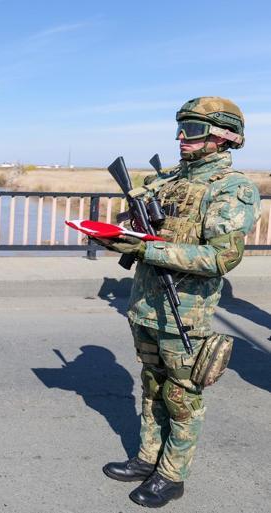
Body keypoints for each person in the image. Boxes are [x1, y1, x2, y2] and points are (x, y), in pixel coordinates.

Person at [95, 97, 261, 507]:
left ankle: (172, 475)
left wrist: (145, 249)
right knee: (151, 386)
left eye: (192, 131)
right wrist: (124, 230)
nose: (181, 139)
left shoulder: (231, 189)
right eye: (180, 130)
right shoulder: (169, 181)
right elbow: (140, 224)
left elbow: (222, 258)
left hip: (185, 313)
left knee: (181, 395)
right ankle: (147, 458)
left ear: (223, 138)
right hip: (147, 304)